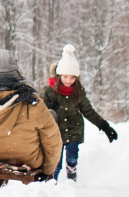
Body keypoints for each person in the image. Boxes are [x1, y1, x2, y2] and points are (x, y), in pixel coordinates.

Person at [0, 48, 63, 181]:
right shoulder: (32, 103)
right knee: (51, 115)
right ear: (16, 73)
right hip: (29, 160)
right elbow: (52, 140)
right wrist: (47, 170)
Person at [39, 45, 118, 182]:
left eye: (72, 78)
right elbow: (36, 110)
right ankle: (51, 184)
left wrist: (105, 126)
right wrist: (48, 106)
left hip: (73, 129)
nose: (69, 81)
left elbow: (88, 111)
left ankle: (71, 174)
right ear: (59, 75)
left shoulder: (78, 92)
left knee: (72, 156)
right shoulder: (48, 91)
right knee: (55, 160)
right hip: (55, 131)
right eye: (65, 77)